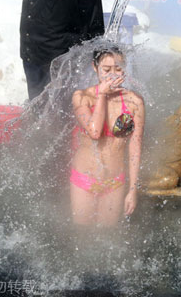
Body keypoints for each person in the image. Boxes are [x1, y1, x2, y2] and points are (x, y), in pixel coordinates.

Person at [70, 46, 144, 227]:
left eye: (118, 69)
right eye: (106, 70)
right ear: (95, 68)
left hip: (114, 183)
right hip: (84, 180)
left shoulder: (135, 102)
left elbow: (135, 147)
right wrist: (102, 94)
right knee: (81, 235)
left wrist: (132, 190)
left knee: (108, 237)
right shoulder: (82, 97)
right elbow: (94, 132)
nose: (112, 75)